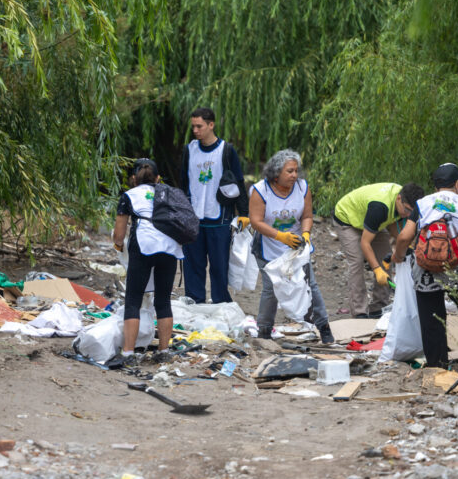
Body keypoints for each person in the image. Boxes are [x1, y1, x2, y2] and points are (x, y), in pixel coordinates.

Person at [391, 163, 458, 369]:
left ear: (436, 186)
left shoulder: (423, 204)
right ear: (457, 183)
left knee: (431, 317)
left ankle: (437, 365)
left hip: (426, 265)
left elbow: (404, 236)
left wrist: (398, 256)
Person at [248, 149, 334, 344]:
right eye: (289, 171)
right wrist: (281, 236)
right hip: (269, 244)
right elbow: (256, 221)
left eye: (296, 170)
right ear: (276, 173)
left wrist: (305, 233)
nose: (294, 175)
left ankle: (324, 327)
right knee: (271, 288)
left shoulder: (302, 188)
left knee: (310, 285)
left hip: (296, 246)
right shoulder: (261, 190)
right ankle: (264, 330)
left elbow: (307, 216)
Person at [113, 158, 181, 365]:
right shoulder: (169, 193)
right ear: (158, 178)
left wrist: (119, 247)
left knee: (133, 299)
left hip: (142, 247)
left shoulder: (128, 196)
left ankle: (128, 353)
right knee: (163, 301)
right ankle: (163, 351)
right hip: (169, 247)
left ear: (133, 179)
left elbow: (119, 234)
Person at [179, 107, 249, 304]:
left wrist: (244, 213)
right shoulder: (189, 150)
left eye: (199, 126)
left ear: (211, 125)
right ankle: (195, 303)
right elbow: (183, 183)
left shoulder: (226, 150)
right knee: (193, 265)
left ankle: (220, 304)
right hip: (193, 219)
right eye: (193, 126)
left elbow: (238, 182)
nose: (195, 130)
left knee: (219, 267)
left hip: (219, 218)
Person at [333, 182, 425, 318]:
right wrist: (376, 269)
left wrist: (406, 246)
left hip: (372, 221)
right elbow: (365, 243)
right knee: (357, 262)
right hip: (347, 219)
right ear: (399, 198)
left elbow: (394, 222)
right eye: (406, 210)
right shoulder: (380, 207)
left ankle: (378, 307)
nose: (408, 215)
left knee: (386, 258)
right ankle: (359, 312)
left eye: (412, 212)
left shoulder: (406, 200)